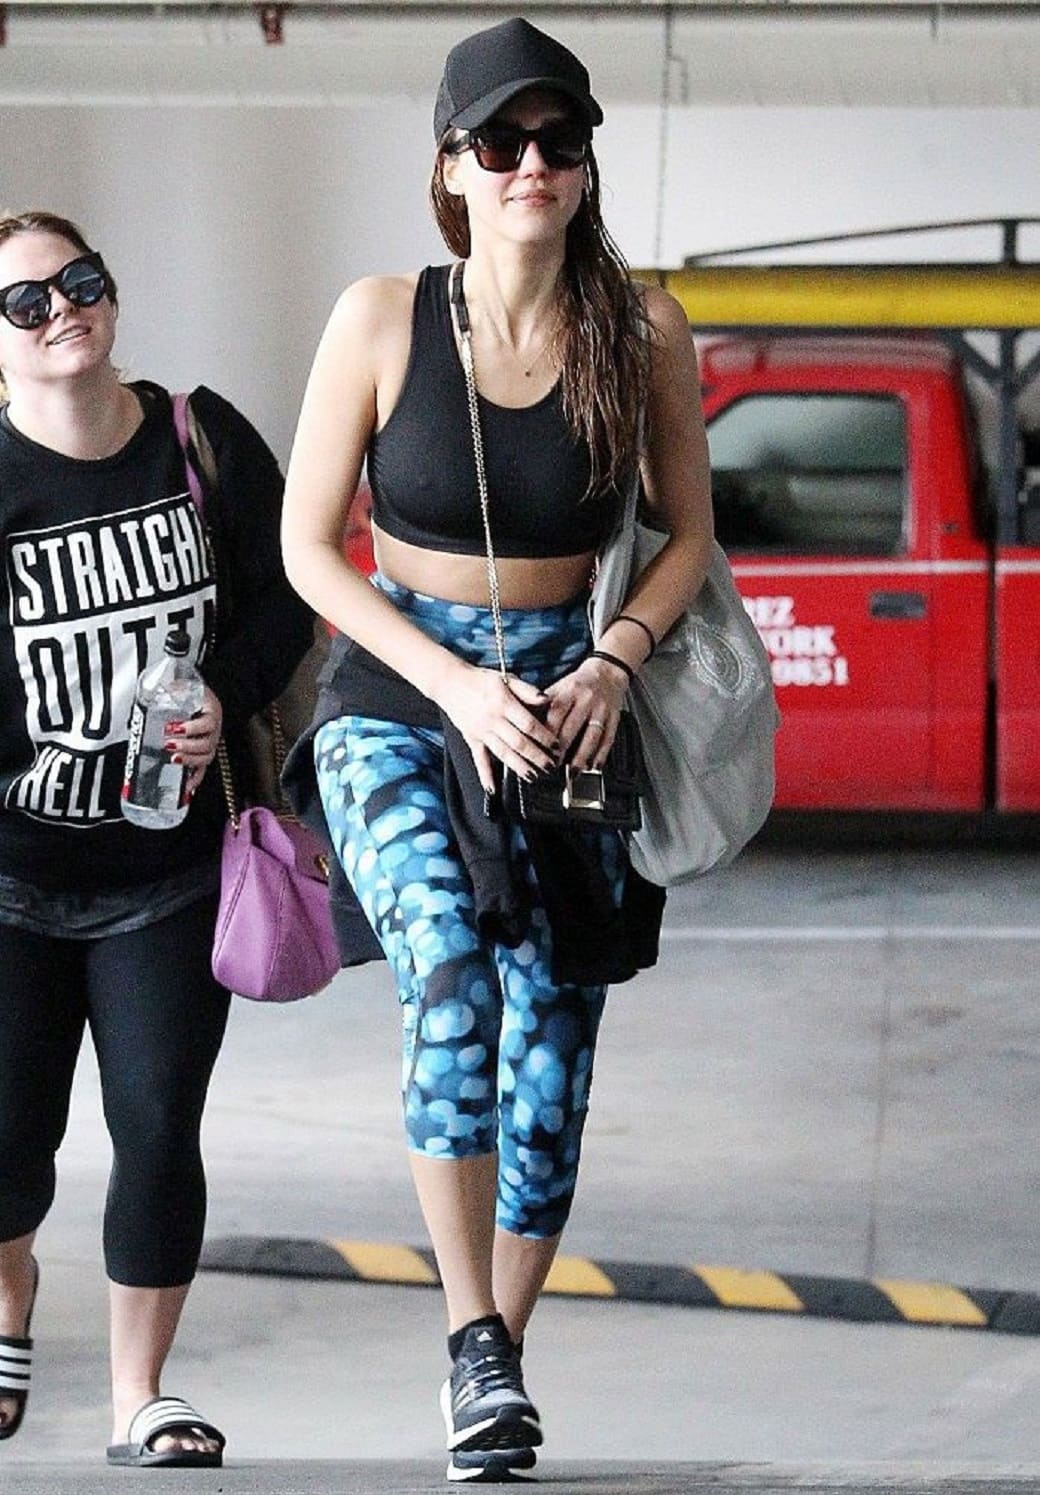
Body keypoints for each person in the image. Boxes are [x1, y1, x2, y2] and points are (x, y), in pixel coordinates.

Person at [281, 15, 712, 1484]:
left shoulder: (641, 332)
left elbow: (688, 534)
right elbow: (307, 548)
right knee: (450, 972)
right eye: (499, 140)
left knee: (553, 1062)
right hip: (400, 690)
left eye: (556, 140)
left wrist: (613, 657)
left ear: (584, 165)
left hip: (571, 698)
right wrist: (453, 686)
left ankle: (496, 1366)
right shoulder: (380, 318)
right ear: (451, 169)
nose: (531, 164)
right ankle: (469, 1330)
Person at [0, 211, 313, 1467]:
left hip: (171, 872)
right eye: (25, 301)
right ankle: (9, 1301)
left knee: (156, 1124)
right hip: (11, 879)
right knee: (8, 1143)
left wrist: (223, 698)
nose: (60, 309)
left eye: (79, 282)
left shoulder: (198, 435)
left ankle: (140, 1396)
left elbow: (285, 604)